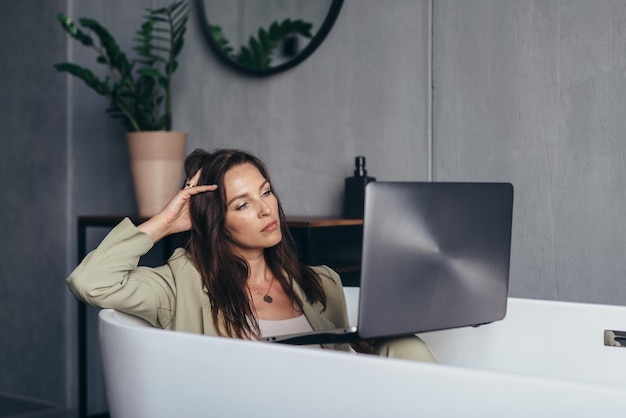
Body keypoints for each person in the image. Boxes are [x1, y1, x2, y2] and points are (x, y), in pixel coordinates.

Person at [67, 148, 436, 361]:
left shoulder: (322, 283)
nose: (265, 210)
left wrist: (370, 352)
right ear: (216, 221)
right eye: (243, 205)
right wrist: (164, 222)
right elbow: (90, 282)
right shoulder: (181, 286)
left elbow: (339, 366)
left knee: (403, 345)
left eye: (266, 192)